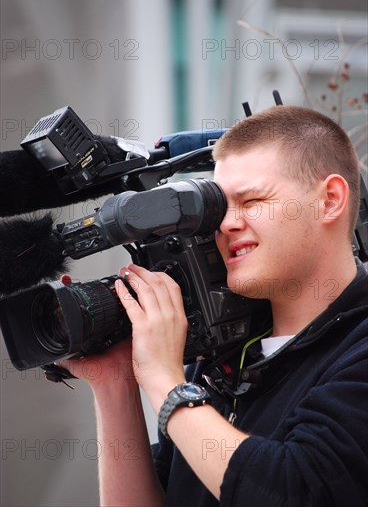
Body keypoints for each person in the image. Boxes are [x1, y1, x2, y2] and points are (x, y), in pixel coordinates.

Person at [61, 105, 368, 506]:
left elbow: (296, 490)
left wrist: (165, 382)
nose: (225, 224)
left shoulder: (357, 348)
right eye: (221, 208)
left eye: (252, 200)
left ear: (330, 200)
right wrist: (115, 383)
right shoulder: (220, 358)